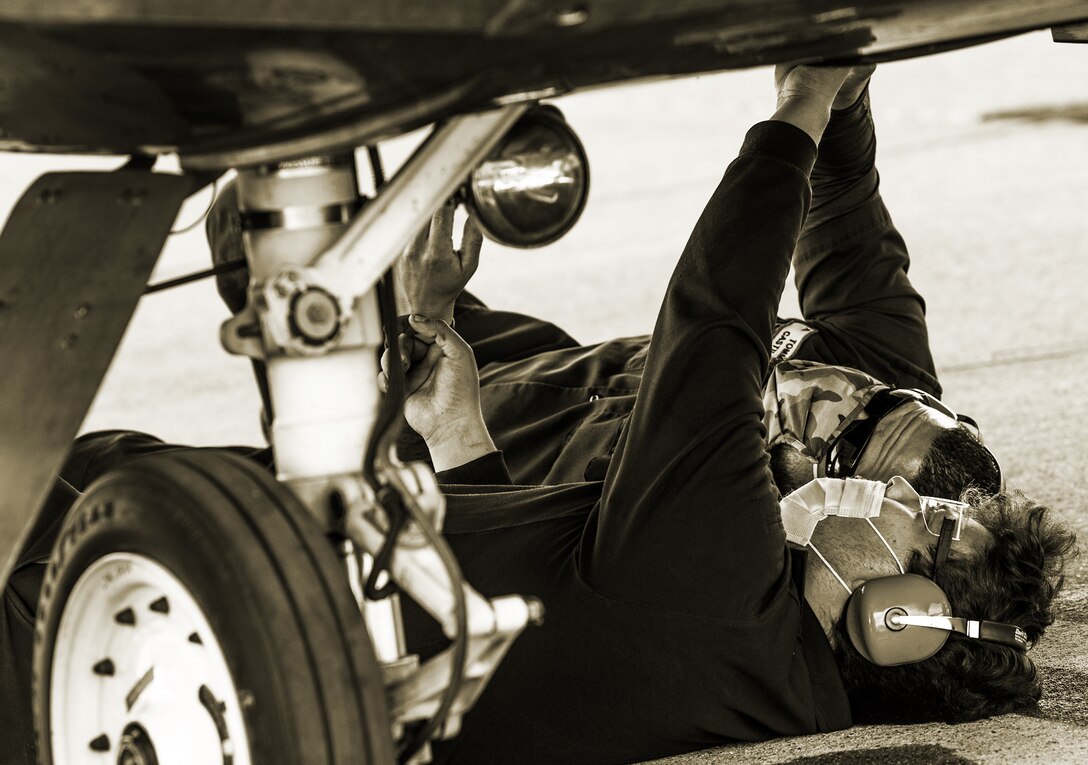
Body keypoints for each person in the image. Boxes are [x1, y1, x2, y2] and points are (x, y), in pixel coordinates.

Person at [375, 65, 1074, 763]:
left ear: (895, 617)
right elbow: (534, 593)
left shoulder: (725, 585)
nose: (900, 494)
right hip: (369, 572)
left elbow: (714, 314)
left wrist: (802, 101)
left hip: (306, 587)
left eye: (928, 520)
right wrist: (455, 432)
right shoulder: (762, 670)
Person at [389, 72, 1001, 501]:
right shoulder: (881, 379)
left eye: (841, 430)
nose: (838, 387)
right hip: (500, 342)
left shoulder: (674, 528)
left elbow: (483, 533)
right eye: (880, 400)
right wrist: (838, 95)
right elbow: (845, 206)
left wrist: (426, 318)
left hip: (391, 426)